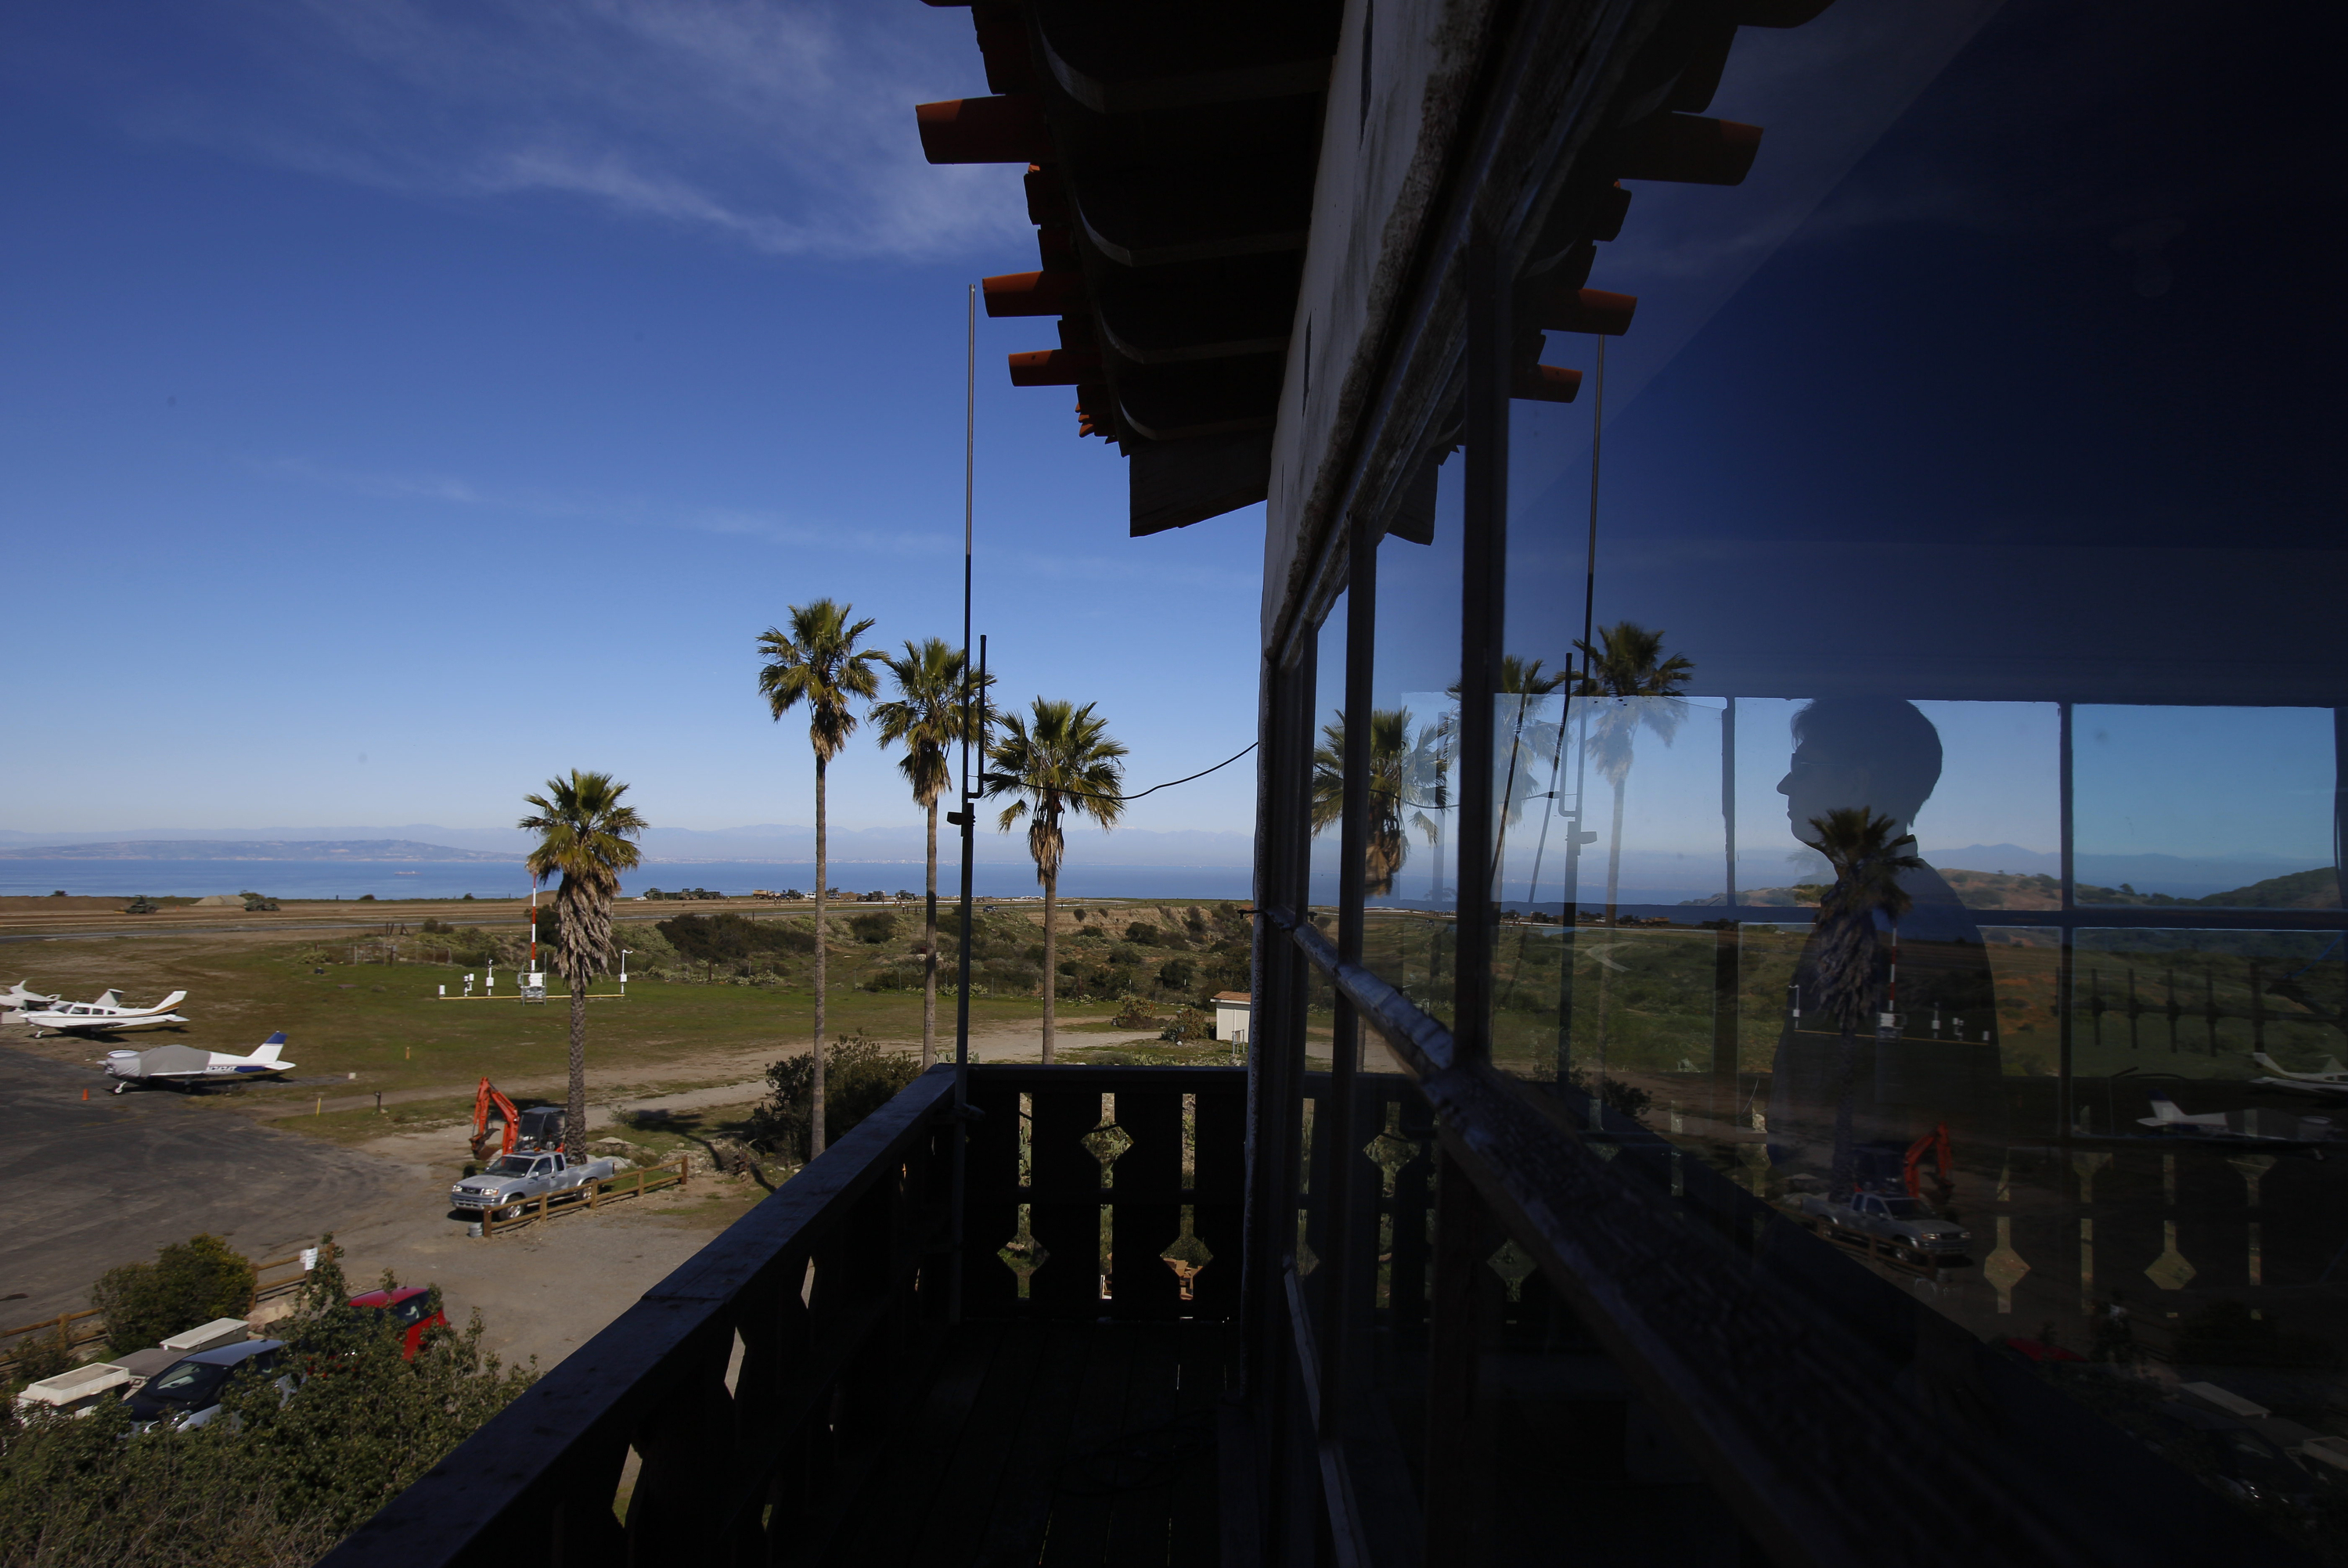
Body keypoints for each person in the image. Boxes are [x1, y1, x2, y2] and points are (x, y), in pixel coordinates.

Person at [1766, 699, 2006, 1168]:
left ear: (1858, 781)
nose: (1783, 785)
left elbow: (1923, 1112)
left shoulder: (1900, 914)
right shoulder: (1882, 896)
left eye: (1804, 767)